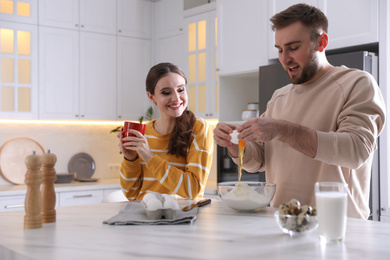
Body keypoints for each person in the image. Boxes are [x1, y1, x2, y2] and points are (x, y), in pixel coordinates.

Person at [213, 4, 386, 219]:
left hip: (338, 227)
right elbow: (257, 161)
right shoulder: (279, 97)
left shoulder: (357, 83)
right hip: (282, 223)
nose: (284, 59)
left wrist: (283, 130)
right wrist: (234, 143)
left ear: (322, 42)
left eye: (293, 48)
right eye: (279, 49)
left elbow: (357, 151)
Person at [118, 62, 214, 200]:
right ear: (152, 97)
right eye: (166, 92)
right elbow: (132, 194)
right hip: (145, 216)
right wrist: (130, 158)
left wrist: (150, 157)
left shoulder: (199, 128)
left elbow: (192, 189)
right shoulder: (144, 133)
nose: (176, 98)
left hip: (182, 217)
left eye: (181, 90)